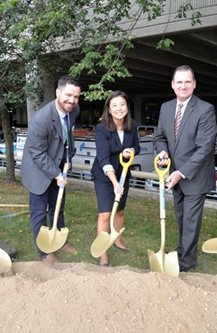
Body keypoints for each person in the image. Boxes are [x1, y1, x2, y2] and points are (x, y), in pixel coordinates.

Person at [155, 65, 217, 272]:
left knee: (190, 219)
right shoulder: (165, 108)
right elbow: (160, 137)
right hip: (173, 175)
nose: (183, 86)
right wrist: (163, 152)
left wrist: (180, 173)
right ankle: (184, 249)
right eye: (179, 82)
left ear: (194, 84)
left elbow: (205, 148)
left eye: (187, 82)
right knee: (181, 216)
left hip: (194, 176)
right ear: (173, 85)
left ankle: (186, 261)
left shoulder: (205, 109)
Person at [21, 75, 81, 264]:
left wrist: (68, 155)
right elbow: (37, 153)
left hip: (59, 165)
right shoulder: (41, 120)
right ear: (58, 92)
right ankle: (45, 252)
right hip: (38, 170)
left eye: (76, 96)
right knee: (39, 212)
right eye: (68, 95)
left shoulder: (74, 110)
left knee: (58, 206)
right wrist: (56, 174)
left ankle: (60, 241)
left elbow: (66, 135)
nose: (72, 100)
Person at [91, 91, 141, 267]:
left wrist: (131, 151)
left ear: (127, 107)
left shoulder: (132, 126)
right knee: (105, 213)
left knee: (119, 210)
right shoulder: (102, 128)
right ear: (109, 109)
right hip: (105, 176)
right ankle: (102, 253)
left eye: (122, 104)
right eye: (115, 105)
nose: (119, 108)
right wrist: (114, 183)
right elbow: (103, 158)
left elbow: (137, 147)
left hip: (124, 173)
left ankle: (118, 239)